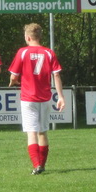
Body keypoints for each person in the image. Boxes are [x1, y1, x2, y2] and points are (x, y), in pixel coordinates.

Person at [8, 23, 64, 174]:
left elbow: (14, 76)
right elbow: (56, 74)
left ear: (27, 37)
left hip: (28, 98)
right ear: (39, 37)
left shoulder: (23, 52)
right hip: (45, 98)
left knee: (31, 132)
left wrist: (13, 81)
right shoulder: (49, 53)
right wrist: (60, 97)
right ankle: (42, 165)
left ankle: (36, 165)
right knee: (43, 132)